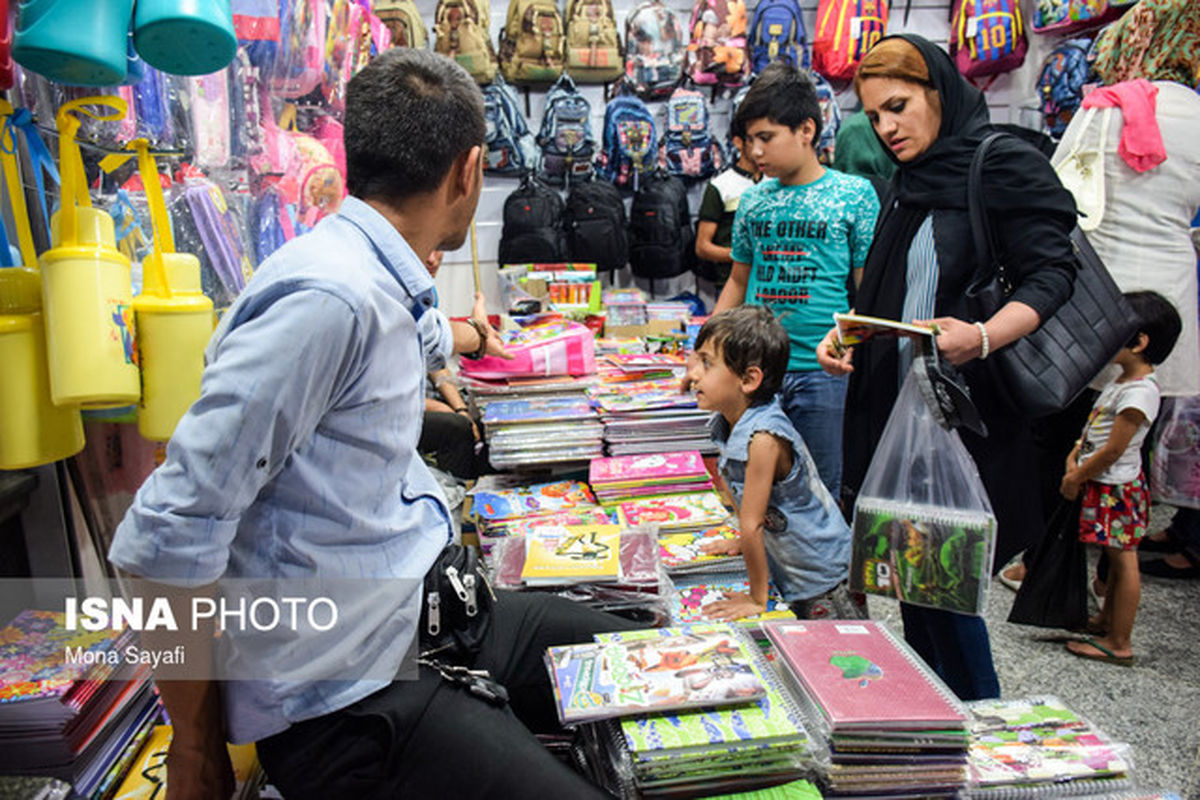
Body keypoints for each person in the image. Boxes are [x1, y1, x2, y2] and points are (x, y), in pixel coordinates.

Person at [107, 49, 633, 800]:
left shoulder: (377, 271)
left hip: (439, 615)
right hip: (354, 697)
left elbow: (404, 339)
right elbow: (164, 536)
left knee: (672, 659)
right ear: (470, 170)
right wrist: (194, 746)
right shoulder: (330, 299)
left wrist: (472, 338)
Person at [816, 35, 1079, 700]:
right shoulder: (910, 179)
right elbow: (892, 288)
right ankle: (947, 730)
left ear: (940, 91)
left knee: (942, 590)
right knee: (916, 594)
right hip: (897, 418)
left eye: (899, 107)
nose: (887, 128)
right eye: (874, 116)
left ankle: (983, 736)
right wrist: (847, 334)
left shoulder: (1000, 164)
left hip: (958, 422)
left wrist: (985, 336)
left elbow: (1053, 274)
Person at [714, 62, 880, 500]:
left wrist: (847, 348)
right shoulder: (752, 202)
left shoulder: (855, 195)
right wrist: (706, 350)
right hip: (754, 368)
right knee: (749, 478)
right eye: (750, 140)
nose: (755, 152)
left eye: (766, 137)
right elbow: (737, 280)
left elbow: (870, 293)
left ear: (806, 129)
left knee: (818, 485)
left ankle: (822, 569)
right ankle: (762, 562)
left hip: (821, 370)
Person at [687, 306, 862, 621]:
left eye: (707, 363)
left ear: (749, 379)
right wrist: (742, 541)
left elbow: (752, 522)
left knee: (841, 657)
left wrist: (756, 599)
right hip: (793, 570)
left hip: (823, 579)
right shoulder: (727, 422)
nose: (694, 374)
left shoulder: (763, 438)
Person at [1061, 291, 1181, 665]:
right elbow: (1097, 432)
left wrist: (1077, 475)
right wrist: (1075, 455)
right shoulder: (1123, 382)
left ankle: (1120, 641)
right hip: (1104, 482)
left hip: (1115, 487)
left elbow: (1114, 449)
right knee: (1114, 560)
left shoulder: (1140, 393)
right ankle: (1107, 622)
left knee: (1123, 561)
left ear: (1140, 341)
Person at [418, 249, 489, 479]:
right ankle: (455, 497)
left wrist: (460, 407)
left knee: (482, 419)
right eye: (426, 250)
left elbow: (435, 362)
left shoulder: (426, 293)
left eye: (438, 250)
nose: (432, 259)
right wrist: (442, 408)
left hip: (421, 398)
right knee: (456, 428)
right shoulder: (395, 295)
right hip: (393, 408)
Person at [694, 116, 759, 298]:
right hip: (731, 284)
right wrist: (742, 255)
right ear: (738, 142)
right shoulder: (721, 186)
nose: (761, 147)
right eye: (755, 139)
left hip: (770, 285)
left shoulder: (777, 182)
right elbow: (702, 247)